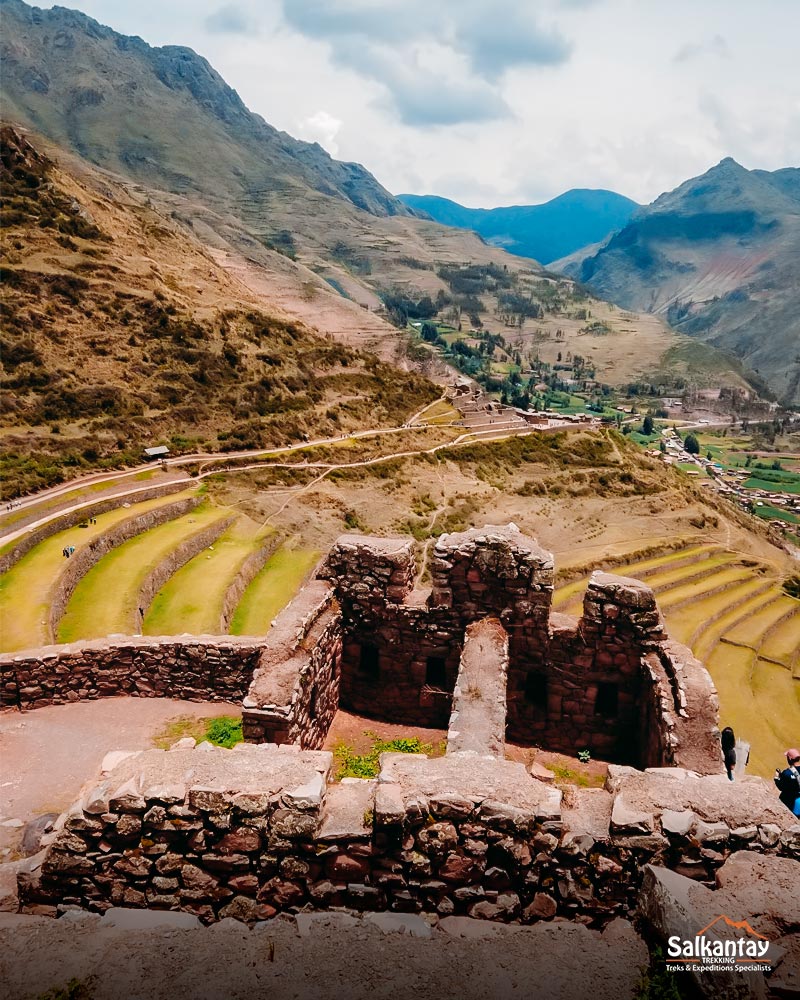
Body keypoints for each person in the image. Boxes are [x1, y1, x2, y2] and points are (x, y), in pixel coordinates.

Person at [774, 749, 800, 817]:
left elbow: (781, 787)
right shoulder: (786, 773)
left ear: (790, 758)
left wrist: (776, 778)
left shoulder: (787, 773)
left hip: (788, 803)